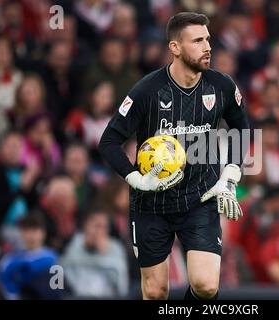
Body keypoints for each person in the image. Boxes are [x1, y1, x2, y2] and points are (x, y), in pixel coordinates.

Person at [99, 12, 249, 300]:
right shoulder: (147, 90)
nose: (207, 47)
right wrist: (135, 179)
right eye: (197, 41)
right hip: (151, 204)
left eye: (208, 39)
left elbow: (241, 127)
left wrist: (231, 173)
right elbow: (108, 141)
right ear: (175, 48)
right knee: (156, 292)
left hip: (200, 199)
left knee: (206, 286)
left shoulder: (222, 86)